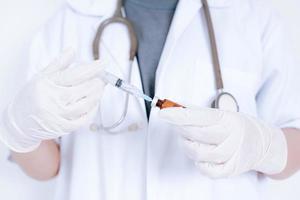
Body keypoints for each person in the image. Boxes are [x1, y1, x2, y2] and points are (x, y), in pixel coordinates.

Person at [1, 0, 300, 199]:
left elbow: (293, 140)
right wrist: (20, 132)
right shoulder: (70, 20)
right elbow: (48, 166)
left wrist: (261, 146)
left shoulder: (253, 19)